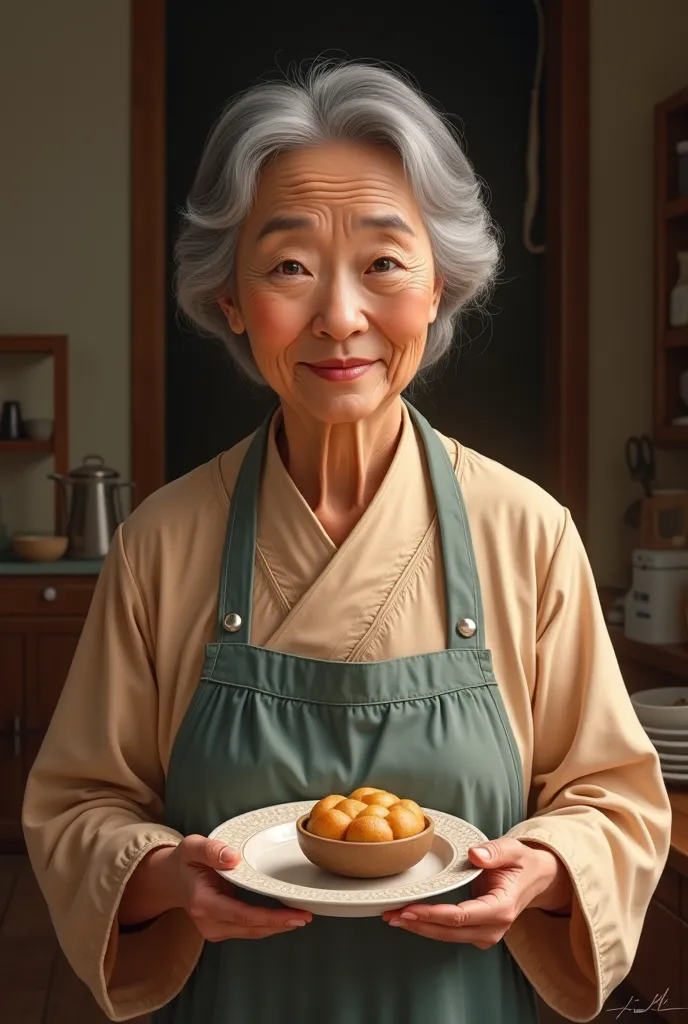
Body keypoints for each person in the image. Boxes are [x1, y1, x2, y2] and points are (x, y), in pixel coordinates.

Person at [22, 59, 671, 1024]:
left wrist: (537, 869)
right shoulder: (162, 542)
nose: (338, 316)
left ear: (439, 286)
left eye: (383, 261)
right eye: (289, 265)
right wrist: (165, 879)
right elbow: (78, 808)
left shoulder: (527, 532)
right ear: (232, 301)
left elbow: (614, 802)